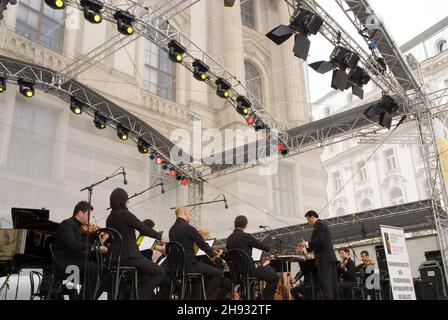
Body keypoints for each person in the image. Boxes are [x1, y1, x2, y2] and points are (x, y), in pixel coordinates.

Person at [106, 188, 165, 300]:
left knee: (146, 273)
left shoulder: (110, 218)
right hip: (129, 257)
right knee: (160, 272)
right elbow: (144, 229)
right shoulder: (126, 214)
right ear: (124, 200)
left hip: (113, 259)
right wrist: (159, 236)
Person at [52, 201, 108, 300]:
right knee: (94, 269)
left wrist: (101, 240)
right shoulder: (67, 224)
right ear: (80, 213)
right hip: (66, 264)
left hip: (76, 262)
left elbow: (85, 246)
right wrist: (96, 248)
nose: (89, 218)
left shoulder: (79, 227)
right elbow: (73, 245)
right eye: (88, 215)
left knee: (104, 272)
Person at [168, 206, 223, 300]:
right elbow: (202, 244)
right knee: (218, 273)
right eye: (188, 213)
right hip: (189, 265)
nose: (188, 215)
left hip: (176, 267)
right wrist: (213, 255)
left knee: (197, 278)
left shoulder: (171, 230)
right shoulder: (188, 228)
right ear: (185, 212)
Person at [226, 215, 279, 300]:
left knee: (249, 280)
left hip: (235, 273)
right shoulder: (245, 236)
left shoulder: (229, 239)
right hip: (249, 271)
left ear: (235, 224)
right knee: (274, 277)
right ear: (245, 225)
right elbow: (266, 248)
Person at [297, 210, 339, 300]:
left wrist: (306, 243)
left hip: (324, 259)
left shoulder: (319, 225)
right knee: (332, 283)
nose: (308, 222)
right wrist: (304, 249)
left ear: (312, 217)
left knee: (326, 283)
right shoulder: (320, 225)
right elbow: (318, 244)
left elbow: (320, 240)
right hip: (328, 258)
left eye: (308, 219)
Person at [197, 228, 232, 300]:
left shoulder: (199, 248)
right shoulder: (205, 248)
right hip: (208, 276)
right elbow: (217, 267)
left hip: (206, 274)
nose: (209, 237)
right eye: (207, 236)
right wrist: (218, 257)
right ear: (202, 236)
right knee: (228, 284)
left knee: (228, 284)